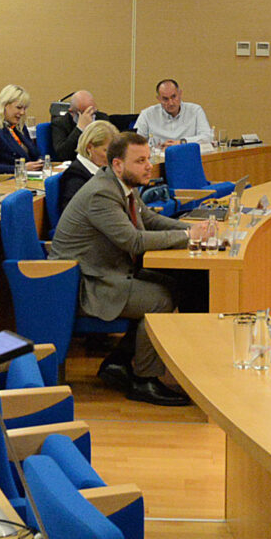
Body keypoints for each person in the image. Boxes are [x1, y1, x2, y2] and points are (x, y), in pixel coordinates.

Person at [47, 130, 214, 406]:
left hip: (108, 271)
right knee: (160, 299)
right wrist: (188, 237)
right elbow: (134, 241)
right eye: (140, 161)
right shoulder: (101, 194)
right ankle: (143, 380)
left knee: (175, 285)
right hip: (85, 284)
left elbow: (150, 220)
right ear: (117, 164)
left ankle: (119, 361)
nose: (149, 166)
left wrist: (195, 229)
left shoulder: (123, 186)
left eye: (148, 159)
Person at [56, 119, 118, 221]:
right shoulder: (74, 177)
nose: (112, 156)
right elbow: (75, 217)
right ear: (89, 147)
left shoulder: (105, 171)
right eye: (106, 151)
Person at [136, 79, 213, 148]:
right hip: (159, 156)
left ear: (180, 94)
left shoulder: (195, 110)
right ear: (159, 99)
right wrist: (157, 148)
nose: (171, 103)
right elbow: (134, 142)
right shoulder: (147, 114)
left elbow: (207, 137)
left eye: (174, 97)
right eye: (165, 99)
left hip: (187, 155)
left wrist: (181, 142)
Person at [50, 89, 100, 162]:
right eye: (85, 113)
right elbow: (63, 154)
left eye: (93, 112)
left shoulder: (101, 118)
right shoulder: (60, 123)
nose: (90, 117)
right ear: (71, 112)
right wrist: (79, 129)